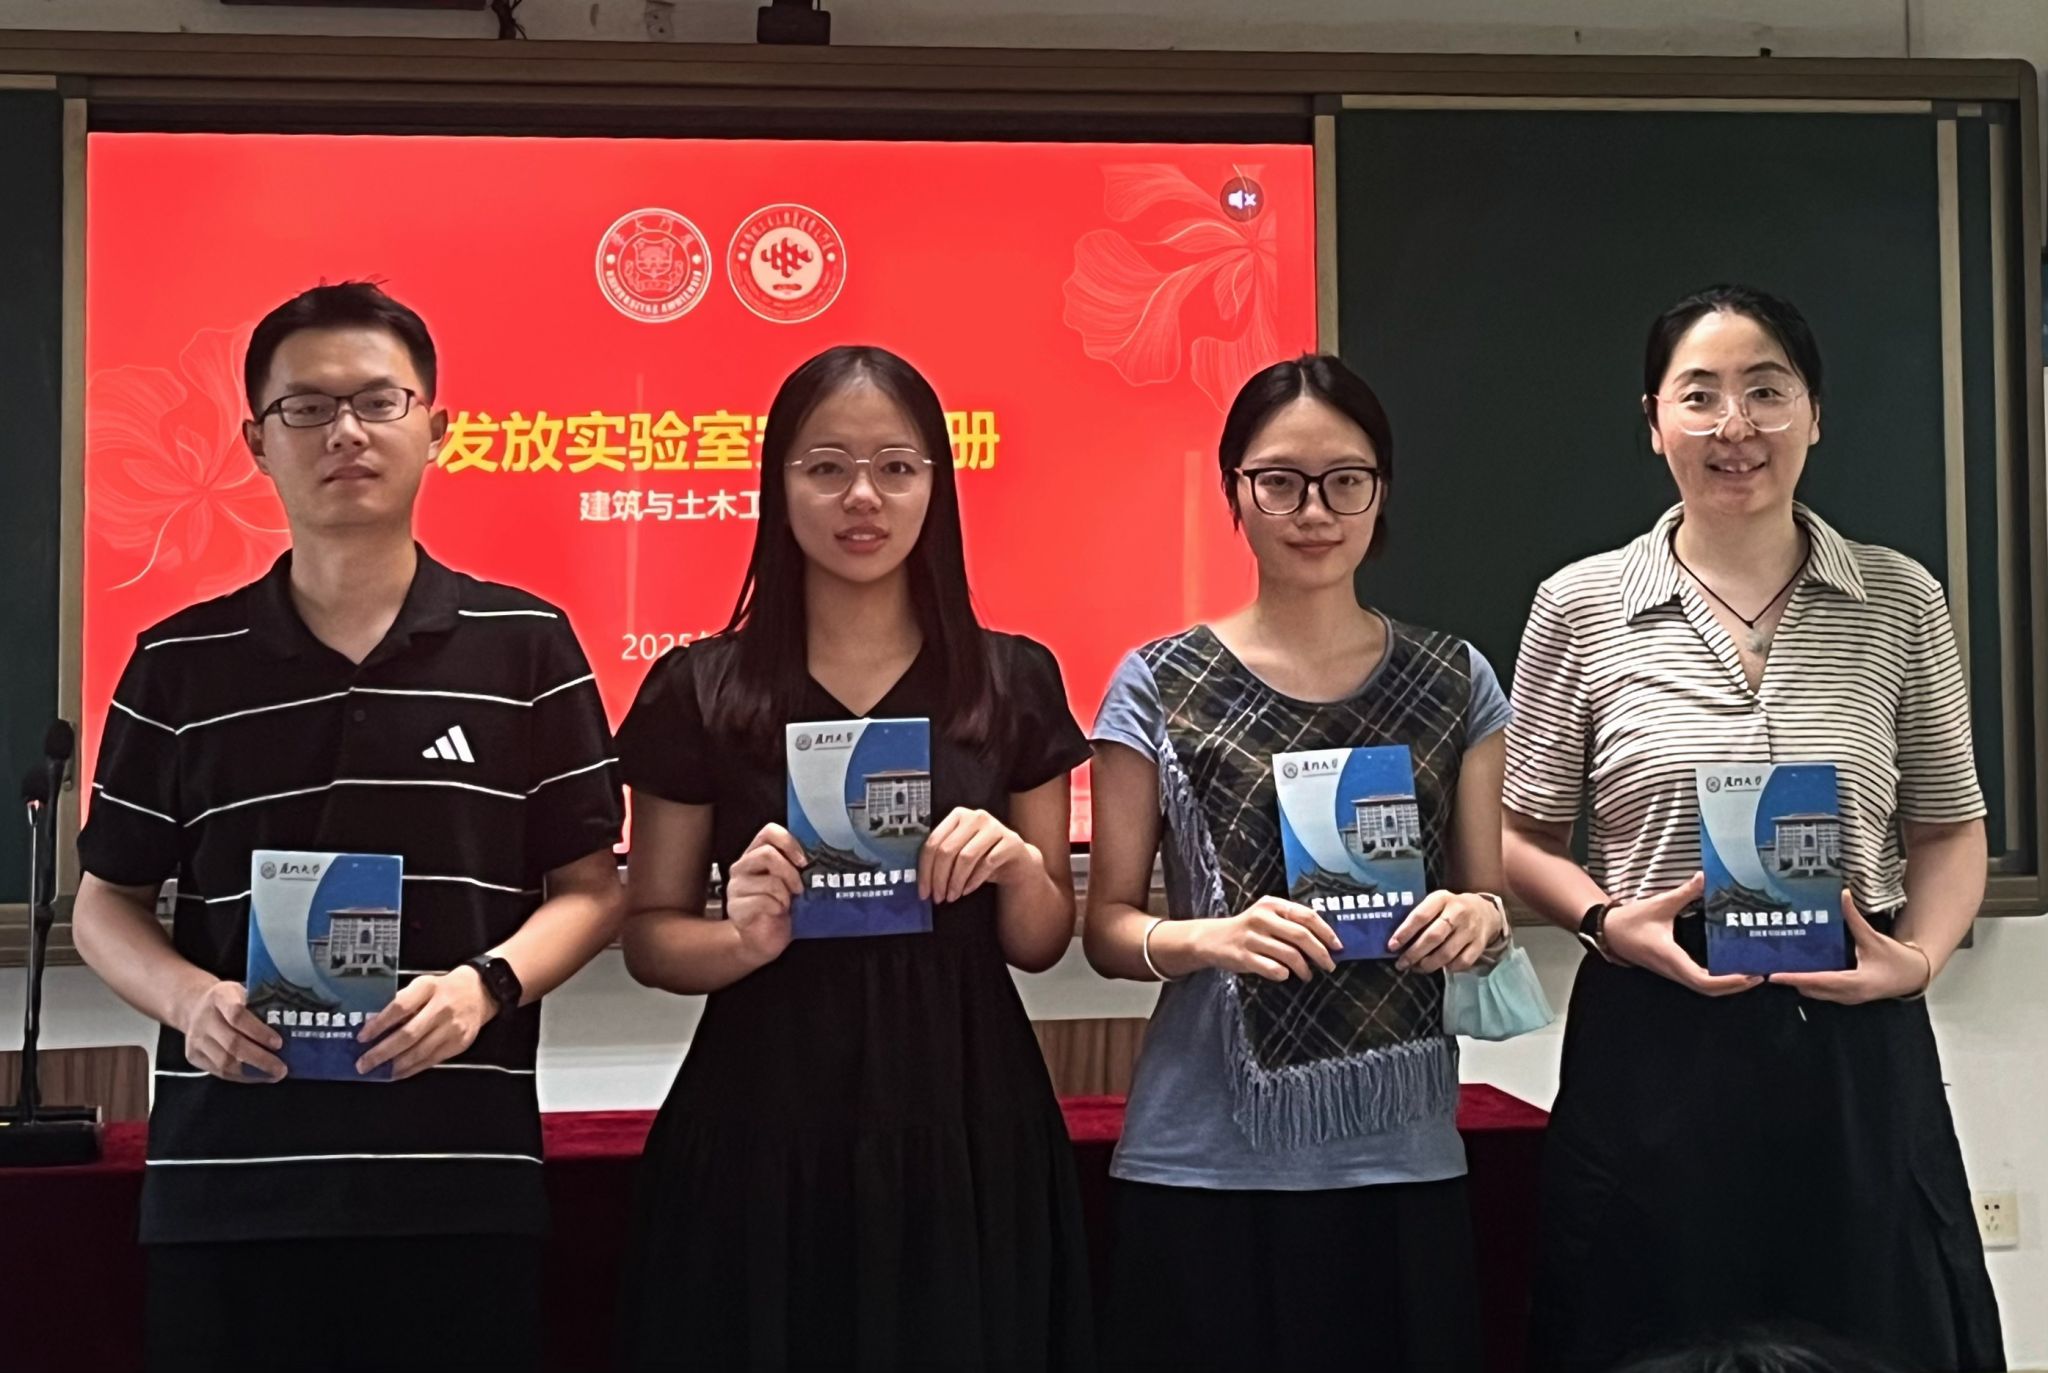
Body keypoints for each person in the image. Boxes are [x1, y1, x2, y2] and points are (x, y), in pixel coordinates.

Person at [72, 282, 625, 1372]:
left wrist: (485, 986)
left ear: (437, 427)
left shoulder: (527, 645)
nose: (346, 432)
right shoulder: (177, 662)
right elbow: (105, 903)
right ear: (256, 442)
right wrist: (189, 998)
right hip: (229, 1190)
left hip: (458, 1185)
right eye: (307, 407)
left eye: (378, 401)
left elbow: (592, 889)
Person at [1504, 285, 2004, 1371]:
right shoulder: (1579, 603)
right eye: (1699, 395)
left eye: (1766, 391)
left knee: (1876, 1328)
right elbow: (1520, 833)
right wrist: (1603, 922)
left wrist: (1915, 960)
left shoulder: (1898, 597)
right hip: (1654, 1025)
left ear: (1814, 413)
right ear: (1654, 423)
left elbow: (1949, 829)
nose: (1735, 425)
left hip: (1851, 1029)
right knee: (1645, 1330)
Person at [612, 345, 1094, 1371]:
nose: (861, 497)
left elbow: (1042, 939)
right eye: (825, 467)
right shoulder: (700, 688)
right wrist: (739, 939)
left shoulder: (1010, 680)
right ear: (777, 483)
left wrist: (1018, 867)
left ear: (937, 485)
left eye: (896, 467)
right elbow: (649, 934)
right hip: (762, 1113)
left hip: (966, 1112)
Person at [1083, 354, 1511, 1372]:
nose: (1312, 510)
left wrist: (1478, 920)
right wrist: (1208, 938)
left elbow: (1488, 899)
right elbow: (1106, 927)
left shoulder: (1455, 678)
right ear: (1233, 490)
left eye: (1344, 480)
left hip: (1397, 1151)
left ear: (1380, 491)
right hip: (1203, 1157)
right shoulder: (1156, 681)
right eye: (1279, 480)